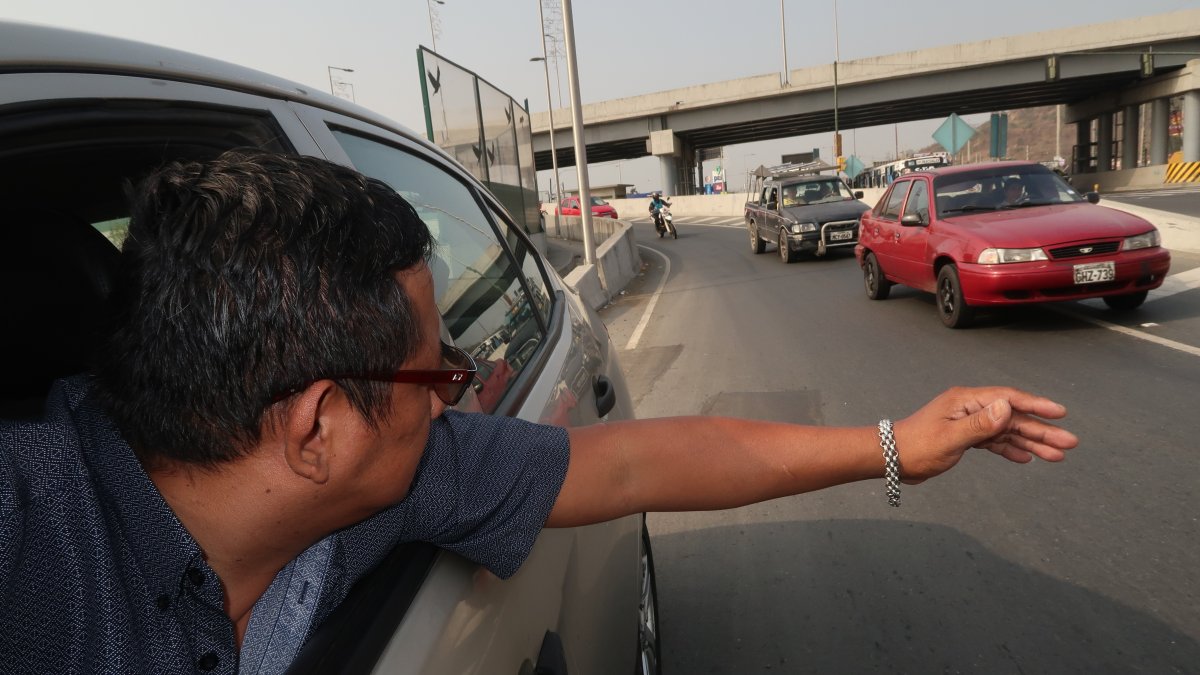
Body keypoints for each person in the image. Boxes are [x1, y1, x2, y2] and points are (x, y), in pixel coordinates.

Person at [0, 150, 1078, 674]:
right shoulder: (29, 546)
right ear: (318, 428)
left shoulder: (401, 473)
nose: (460, 381)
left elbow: (630, 466)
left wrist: (897, 443)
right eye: (436, 369)